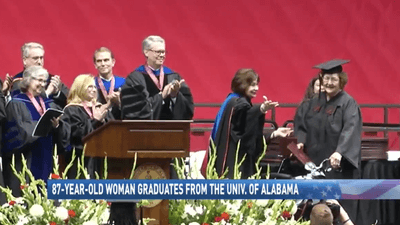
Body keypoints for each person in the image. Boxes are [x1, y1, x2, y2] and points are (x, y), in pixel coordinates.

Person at [294, 59, 362, 222]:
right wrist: (300, 141)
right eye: (326, 78)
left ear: (341, 81)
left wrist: (339, 152)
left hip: (336, 166)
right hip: (314, 163)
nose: (329, 82)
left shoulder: (348, 103)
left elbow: (350, 130)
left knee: (338, 207)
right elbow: (301, 124)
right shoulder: (313, 103)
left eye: (333, 79)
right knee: (314, 206)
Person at [201, 68, 292, 179]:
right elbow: (245, 135)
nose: (256, 88)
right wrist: (261, 109)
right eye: (252, 85)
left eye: (257, 84)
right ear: (243, 84)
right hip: (234, 166)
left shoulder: (231, 100)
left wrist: (274, 134)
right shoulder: (240, 104)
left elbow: (246, 130)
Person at [2, 66, 70, 197]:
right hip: (27, 160)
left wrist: (57, 126)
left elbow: (63, 137)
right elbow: (15, 134)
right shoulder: (16, 103)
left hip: (47, 158)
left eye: (45, 81)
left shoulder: (49, 103)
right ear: (27, 80)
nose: (42, 84)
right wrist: (41, 127)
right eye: (39, 80)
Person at [120, 35, 194, 120]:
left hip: (171, 130)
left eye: (163, 52)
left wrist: (175, 96)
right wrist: (161, 96)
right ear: (146, 52)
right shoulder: (134, 78)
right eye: (158, 52)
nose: (162, 55)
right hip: (144, 131)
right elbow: (134, 112)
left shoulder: (173, 76)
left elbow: (188, 111)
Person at [61, 74, 111, 179]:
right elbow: (76, 134)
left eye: (94, 87)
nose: (93, 90)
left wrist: (103, 121)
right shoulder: (71, 109)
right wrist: (95, 121)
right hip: (81, 159)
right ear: (80, 87)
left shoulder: (99, 107)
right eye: (89, 87)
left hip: (100, 157)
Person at [7, 42, 69, 110]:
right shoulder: (17, 81)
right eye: (35, 58)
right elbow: (19, 108)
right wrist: (47, 93)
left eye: (41, 58)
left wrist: (57, 93)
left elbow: (69, 103)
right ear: (24, 60)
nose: (39, 62)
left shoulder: (52, 79)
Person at [93, 47, 125, 119]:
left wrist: (119, 102)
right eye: (99, 61)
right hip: (99, 125)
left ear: (113, 62)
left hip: (120, 123)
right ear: (95, 64)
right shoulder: (91, 84)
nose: (103, 64)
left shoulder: (124, 82)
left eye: (106, 60)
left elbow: (131, 108)